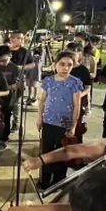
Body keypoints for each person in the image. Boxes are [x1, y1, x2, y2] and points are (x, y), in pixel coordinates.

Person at [36, 51, 84, 188]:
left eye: (69, 65)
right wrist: (40, 118)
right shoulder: (49, 81)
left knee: (62, 152)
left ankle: (58, 181)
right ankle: (44, 180)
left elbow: (77, 106)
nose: (65, 68)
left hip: (64, 124)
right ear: (55, 65)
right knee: (47, 151)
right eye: (62, 64)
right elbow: (42, 101)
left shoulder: (75, 83)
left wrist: (73, 126)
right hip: (48, 122)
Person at [0, 45, 20, 151]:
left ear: (10, 56)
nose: (2, 63)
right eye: (0, 60)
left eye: (4, 60)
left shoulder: (14, 68)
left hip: (9, 98)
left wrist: (8, 87)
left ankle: (4, 138)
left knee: (6, 118)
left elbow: (17, 85)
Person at [69, 47, 93, 143]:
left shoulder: (83, 70)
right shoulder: (63, 68)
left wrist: (80, 95)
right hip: (64, 100)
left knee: (78, 123)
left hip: (78, 100)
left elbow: (88, 87)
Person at [9, 32, 34, 125]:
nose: (22, 40)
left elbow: (32, 64)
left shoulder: (24, 51)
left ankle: (16, 122)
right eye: (20, 38)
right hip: (4, 78)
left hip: (18, 79)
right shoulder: (5, 50)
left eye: (22, 38)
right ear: (12, 39)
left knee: (16, 102)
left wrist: (21, 67)